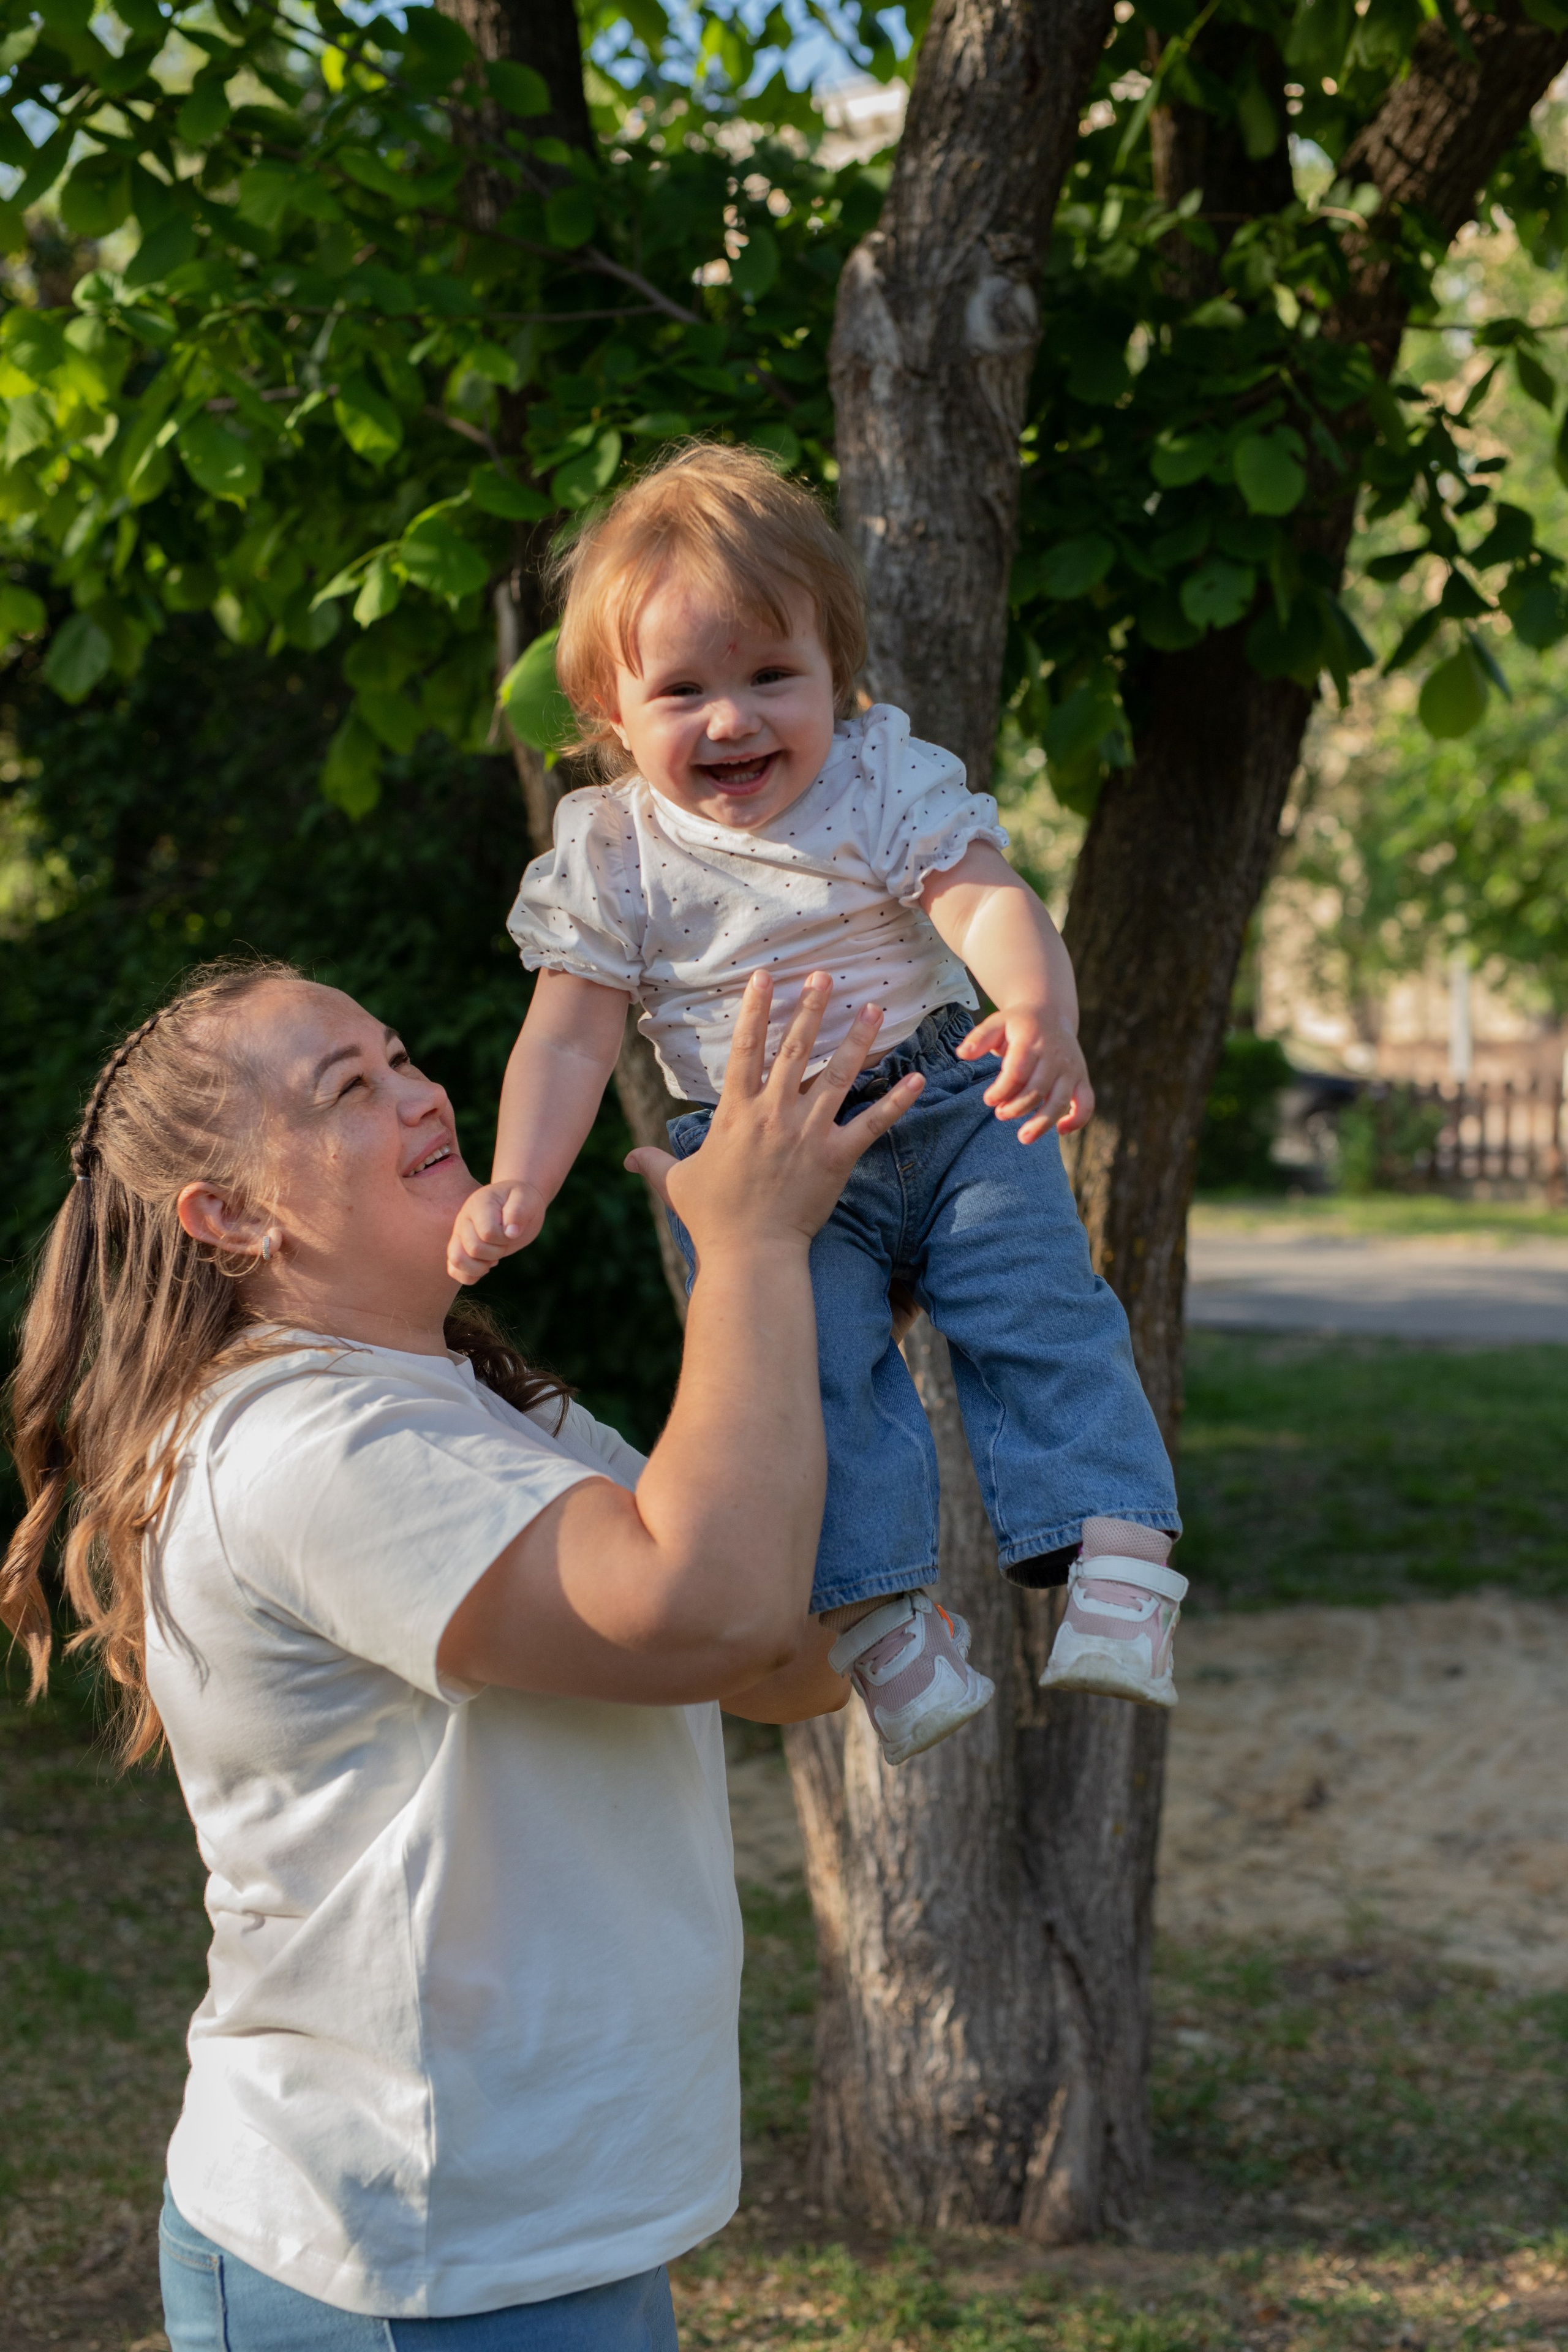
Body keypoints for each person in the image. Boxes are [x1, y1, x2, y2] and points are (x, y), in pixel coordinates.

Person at [0, 953, 921, 2348]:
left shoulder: (487, 1403)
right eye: (346, 1089)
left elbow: (774, 1660)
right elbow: (709, 1612)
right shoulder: (306, 1444)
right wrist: (748, 1250)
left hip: (527, 2226)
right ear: (226, 1216)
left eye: (401, 1054)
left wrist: (829, 1314)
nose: (422, 1094)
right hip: (404, 2250)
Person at [448, 442, 1184, 1770]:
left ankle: (1119, 1564)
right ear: (610, 713)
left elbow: (982, 897)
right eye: (683, 692)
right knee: (812, 1378)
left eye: (768, 677)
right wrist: (522, 1180)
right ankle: (885, 1626)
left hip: (944, 1101)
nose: (730, 720)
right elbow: (564, 1042)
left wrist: (1036, 1011)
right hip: (761, 1168)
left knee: (1037, 1309)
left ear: (835, 676)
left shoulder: (880, 780)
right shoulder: (611, 853)